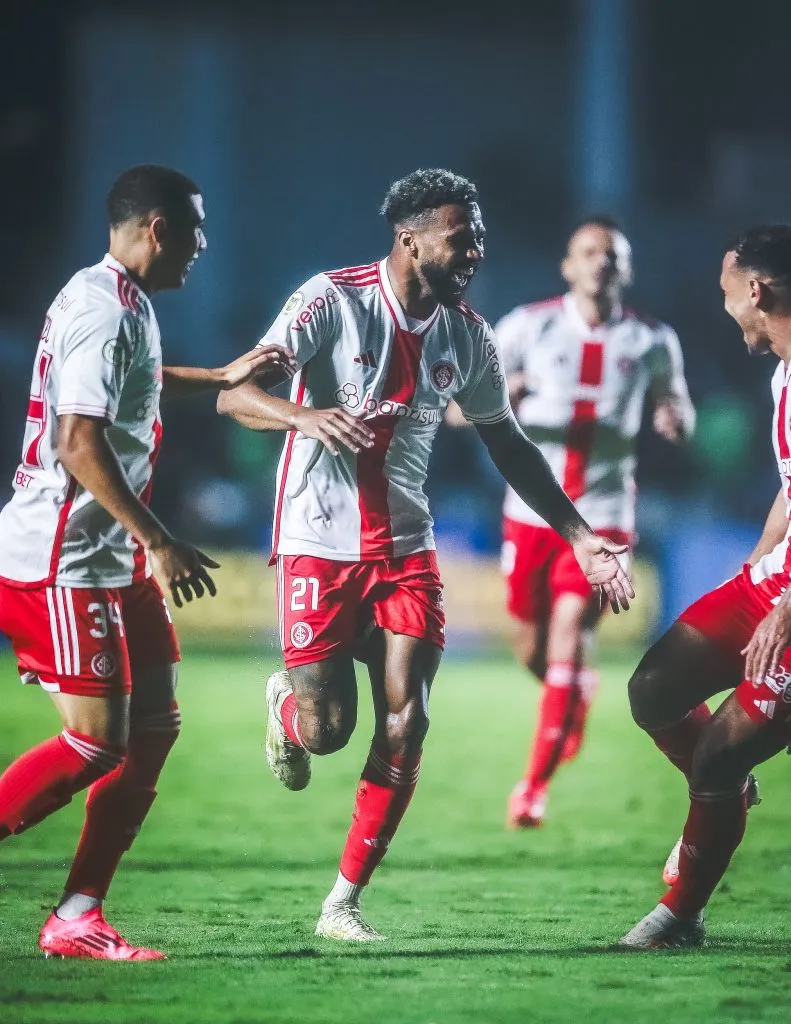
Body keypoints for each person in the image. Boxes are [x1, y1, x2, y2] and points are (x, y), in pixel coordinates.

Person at [217, 168, 634, 942]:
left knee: (407, 721)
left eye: (480, 237)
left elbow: (508, 443)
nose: (475, 251)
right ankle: (287, 710)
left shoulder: (468, 336)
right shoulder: (330, 300)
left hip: (407, 547)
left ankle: (342, 902)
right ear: (409, 238)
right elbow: (232, 393)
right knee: (327, 729)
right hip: (318, 539)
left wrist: (580, 537)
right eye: (460, 237)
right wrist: (303, 417)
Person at [0, 164, 292, 960]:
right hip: (64, 558)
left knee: (155, 727)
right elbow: (76, 441)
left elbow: (137, 385)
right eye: (196, 228)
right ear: (158, 229)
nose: (204, 244)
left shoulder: (120, 299)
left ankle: (77, 916)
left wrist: (221, 376)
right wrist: (159, 538)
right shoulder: (103, 310)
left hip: (111, 556)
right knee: (96, 744)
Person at [491, 216, 695, 829]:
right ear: (568, 265)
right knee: (531, 649)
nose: (601, 263)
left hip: (605, 518)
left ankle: (532, 787)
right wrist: (503, 397)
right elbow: (456, 407)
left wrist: (674, 419)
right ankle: (574, 693)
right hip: (530, 514)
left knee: (571, 630)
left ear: (625, 270)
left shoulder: (652, 339)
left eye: (612, 255)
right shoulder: (526, 326)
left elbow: (681, 407)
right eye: (589, 252)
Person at [619, 225, 791, 949]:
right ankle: (723, 792)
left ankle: (678, 917)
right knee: (653, 689)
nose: (722, 306)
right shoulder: (783, 372)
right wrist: (756, 569)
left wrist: (784, 609)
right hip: (775, 582)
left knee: (720, 752)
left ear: (754, 290)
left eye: (725, 292)